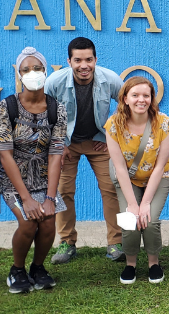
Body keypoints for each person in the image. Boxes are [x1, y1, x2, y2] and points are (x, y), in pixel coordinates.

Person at [44, 37, 125, 264]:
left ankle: (115, 242)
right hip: (66, 144)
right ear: (69, 61)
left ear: (95, 59)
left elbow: (127, 107)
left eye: (88, 59)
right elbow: (45, 115)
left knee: (111, 188)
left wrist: (112, 138)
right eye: (78, 60)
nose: (84, 65)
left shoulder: (110, 79)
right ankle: (66, 243)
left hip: (99, 141)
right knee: (63, 191)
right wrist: (59, 144)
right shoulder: (55, 82)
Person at [0, 47, 68, 293]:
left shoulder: (57, 108)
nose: (32, 73)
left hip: (45, 176)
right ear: (18, 74)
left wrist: (49, 197)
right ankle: (17, 270)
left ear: (45, 71)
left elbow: (57, 153)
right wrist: (26, 198)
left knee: (48, 223)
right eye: (26, 69)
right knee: (28, 222)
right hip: (15, 178)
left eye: (37, 68)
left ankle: (38, 268)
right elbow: (4, 153)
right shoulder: (7, 107)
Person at [105, 76, 169, 285]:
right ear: (125, 98)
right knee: (130, 220)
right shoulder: (113, 125)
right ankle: (131, 264)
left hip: (158, 175)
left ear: (152, 99)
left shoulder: (163, 123)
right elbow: (119, 168)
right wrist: (133, 204)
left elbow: (160, 166)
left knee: (149, 219)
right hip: (126, 177)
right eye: (135, 95)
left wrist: (145, 203)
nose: (141, 100)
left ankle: (154, 263)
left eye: (146, 95)